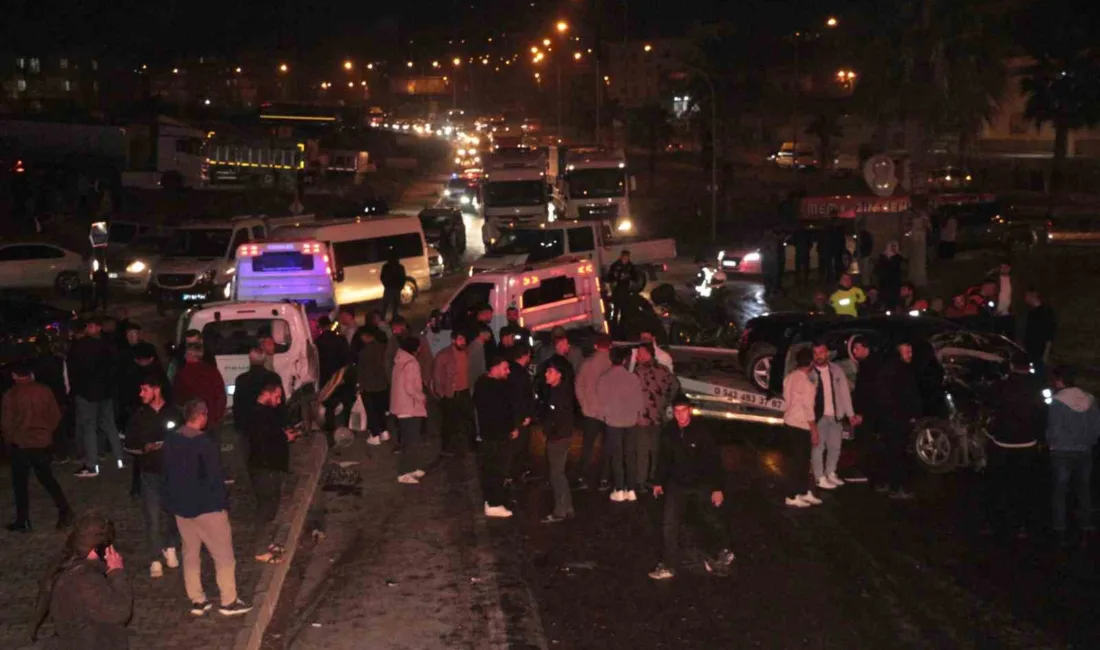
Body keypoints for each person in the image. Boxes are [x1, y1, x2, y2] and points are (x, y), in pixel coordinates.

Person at [163, 398, 251, 617]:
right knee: (223, 556)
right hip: (207, 508)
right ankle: (228, 601)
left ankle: (197, 599)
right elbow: (214, 476)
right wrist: (222, 504)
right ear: (201, 416)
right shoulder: (204, 443)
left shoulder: (172, 440)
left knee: (190, 554)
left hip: (182, 509)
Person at [648, 396, 734, 580]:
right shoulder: (669, 430)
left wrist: (717, 488)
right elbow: (664, 458)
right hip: (677, 484)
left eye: (684, 411)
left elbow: (714, 460)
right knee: (669, 523)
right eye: (676, 411)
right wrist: (658, 481)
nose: (680, 415)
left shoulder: (702, 431)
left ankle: (724, 548)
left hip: (701, 483)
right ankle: (669, 565)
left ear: (690, 411)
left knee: (711, 518)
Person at [29, 513, 132, 650]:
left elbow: (45, 591)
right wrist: (116, 572)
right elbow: (120, 612)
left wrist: (33, 626)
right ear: (101, 548)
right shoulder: (86, 580)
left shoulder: (64, 564)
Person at [123, 374, 183, 578]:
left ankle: (171, 547)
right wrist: (144, 447)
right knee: (153, 517)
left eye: (145, 389)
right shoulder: (139, 416)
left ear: (156, 390)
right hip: (150, 474)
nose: (141, 394)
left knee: (175, 514)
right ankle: (155, 558)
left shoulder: (174, 413)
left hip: (173, 473)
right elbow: (129, 444)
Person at [2, 362, 72, 532]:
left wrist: (10, 441)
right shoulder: (44, 390)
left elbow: (6, 424)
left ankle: (23, 520)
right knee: (48, 479)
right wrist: (46, 432)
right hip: (42, 442)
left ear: (14, 375)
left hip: (21, 443)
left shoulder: (11, 395)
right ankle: (65, 510)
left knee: (20, 484)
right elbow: (55, 415)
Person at [983, 351, 1045, 539]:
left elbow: (989, 402)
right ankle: (1022, 526)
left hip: (1003, 444)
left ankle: (995, 524)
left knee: (998, 486)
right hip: (1027, 444)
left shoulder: (1001, 385)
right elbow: (1042, 412)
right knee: (1024, 487)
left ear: (1012, 365)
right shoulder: (1038, 386)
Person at [1045, 366, 1100, 547]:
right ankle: (1085, 528)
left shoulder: (1057, 401)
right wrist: (1088, 443)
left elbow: (1053, 428)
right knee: (1084, 490)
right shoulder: (1090, 399)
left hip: (1061, 451)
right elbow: (1096, 428)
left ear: (1059, 381)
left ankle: (1060, 531)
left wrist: (1052, 444)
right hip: (1084, 450)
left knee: (1060, 492)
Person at [248, 381, 300, 563]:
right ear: (267, 394)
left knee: (272, 506)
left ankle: (267, 542)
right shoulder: (258, 414)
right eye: (277, 397)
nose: (279, 401)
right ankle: (260, 549)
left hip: (271, 466)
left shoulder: (266, 412)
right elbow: (263, 441)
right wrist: (284, 437)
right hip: (265, 468)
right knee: (267, 509)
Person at [68, 317, 124, 478]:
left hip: (88, 393)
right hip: (105, 392)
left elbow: (76, 369)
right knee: (108, 425)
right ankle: (119, 458)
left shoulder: (82, 346)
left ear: (98, 327)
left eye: (91, 326)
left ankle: (92, 465)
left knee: (89, 428)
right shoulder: (108, 344)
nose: (88, 329)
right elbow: (115, 367)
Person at [473, 355, 519, 518]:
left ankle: (492, 500)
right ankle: (494, 503)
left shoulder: (482, 383)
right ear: (495, 368)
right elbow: (501, 412)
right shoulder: (493, 387)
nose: (508, 371)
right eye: (505, 368)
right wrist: (511, 428)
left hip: (490, 434)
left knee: (492, 469)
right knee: (497, 469)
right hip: (497, 435)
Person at [597, 346, 645, 503]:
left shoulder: (604, 378)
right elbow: (639, 400)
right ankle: (631, 489)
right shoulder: (632, 378)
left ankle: (619, 489)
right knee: (630, 455)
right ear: (625, 360)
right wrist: (637, 415)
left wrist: (605, 415)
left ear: (611, 359)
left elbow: (601, 401)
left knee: (616, 456)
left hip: (613, 422)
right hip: (630, 421)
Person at [876, 342, 923, 500]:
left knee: (890, 451)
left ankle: (885, 482)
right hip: (897, 418)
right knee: (898, 453)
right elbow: (906, 394)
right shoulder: (898, 370)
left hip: (892, 418)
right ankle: (897, 487)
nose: (910, 355)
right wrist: (909, 413)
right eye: (907, 351)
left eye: (911, 351)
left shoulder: (894, 368)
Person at [808, 341, 856, 491]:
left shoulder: (836, 370)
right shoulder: (809, 373)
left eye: (821, 352)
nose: (818, 356)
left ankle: (830, 472)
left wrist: (850, 414)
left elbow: (844, 393)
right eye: (815, 353)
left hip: (835, 415)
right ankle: (819, 477)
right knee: (818, 447)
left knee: (835, 446)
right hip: (819, 416)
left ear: (827, 353)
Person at [633, 343, 678, 491]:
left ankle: (641, 481)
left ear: (648, 354)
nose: (637, 356)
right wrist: (665, 402)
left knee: (642, 451)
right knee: (656, 450)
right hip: (659, 417)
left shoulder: (638, 372)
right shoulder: (664, 370)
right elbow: (674, 387)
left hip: (642, 418)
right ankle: (654, 479)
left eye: (640, 353)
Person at [782, 348, 823, 508]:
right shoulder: (807, 384)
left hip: (789, 422)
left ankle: (803, 491)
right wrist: (814, 430)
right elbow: (808, 409)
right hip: (801, 425)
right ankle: (792, 496)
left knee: (799, 461)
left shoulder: (790, 377)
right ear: (811, 363)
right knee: (800, 462)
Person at [575, 335, 613, 490]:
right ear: (610, 346)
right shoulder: (613, 364)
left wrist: (584, 406)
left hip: (590, 411)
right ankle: (604, 478)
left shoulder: (586, 364)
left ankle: (582, 476)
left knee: (588, 446)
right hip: (609, 413)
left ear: (596, 346)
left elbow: (578, 386)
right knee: (607, 446)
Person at [540, 362, 576, 524]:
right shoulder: (556, 391)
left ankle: (560, 510)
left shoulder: (560, 394)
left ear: (559, 375)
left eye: (550, 371)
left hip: (559, 438)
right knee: (558, 473)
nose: (546, 374)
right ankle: (567, 507)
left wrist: (552, 433)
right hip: (560, 436)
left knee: (556, 475)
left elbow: (560, 418)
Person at [391, 337, 429, 484]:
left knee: (409, 440)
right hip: (409, 407)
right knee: (411, 441)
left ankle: (411, 467)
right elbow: (410, 388)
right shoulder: (412, 363)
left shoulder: (399, 361)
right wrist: (422, 397)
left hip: (402, 406)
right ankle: (404, 472)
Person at [432, 330, 474, 456]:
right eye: (460, 339)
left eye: (464, 339)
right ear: (453, 340)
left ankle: (470, 446)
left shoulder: (467, 352)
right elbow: (437, 376)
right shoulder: (444, 355)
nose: (463, 342)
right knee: (449, 422)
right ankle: (448, 447)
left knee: (468, 419)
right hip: (451, 392)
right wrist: (441, 393)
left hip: (465, 391)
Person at [173, 343, 227, 434]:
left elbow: (178, 399)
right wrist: (217, 416)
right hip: (211, 419)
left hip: (192, 421)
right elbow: (221, 395)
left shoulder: (182, 374)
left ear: (189, 355)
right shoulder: (213, 371)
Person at [505, 345, 536, 485]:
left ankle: (513, 472)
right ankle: (515, 474)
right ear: (525, 355)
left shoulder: (510, 370)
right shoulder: (521, 374)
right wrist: (527, 415)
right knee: (519, 445)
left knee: (515, 445)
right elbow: (523, 397)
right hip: (520, 415)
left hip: (512, 413)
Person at [315, 316, 351, 432]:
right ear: (330, 325)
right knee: (345, 401)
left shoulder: (318, 342)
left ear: (320, 327)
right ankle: (346, 425)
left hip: (326, 377)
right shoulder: (341, 339)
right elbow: (347, 358)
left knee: (329, 403)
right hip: (340, 375)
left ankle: (330, 429)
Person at [356, 326, 390, 445]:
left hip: (369, 386)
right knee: (380, 409)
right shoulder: (382, 348)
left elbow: (361, 371)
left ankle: (375, 435)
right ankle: (384, 431)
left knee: (371, 411)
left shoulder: (364, 352)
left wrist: (359, 385)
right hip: (382, 384)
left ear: (365, 336)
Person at [606, 249, 639, 337]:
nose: (626, 260)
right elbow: (609, 277)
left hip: (626, 292)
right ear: (621, 257)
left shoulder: (630, 266)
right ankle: (613, 331)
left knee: (624, 312)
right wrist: (615, 280)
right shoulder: (615, 266)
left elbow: (635, 277)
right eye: (624, 258)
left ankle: (622, 330)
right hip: (617, 292)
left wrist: (631, 281)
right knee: (615, 312)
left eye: (627, 258)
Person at [1023, 288, 1055, 379]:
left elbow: (1050, 333)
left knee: (1039, 375)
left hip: (1040, 350)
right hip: (1031, 351)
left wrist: (1046, 351)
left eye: (1027, 296)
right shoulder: (1031, 312)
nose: (1025, 299)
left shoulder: (1046, 312)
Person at [907, 195, 931, 287]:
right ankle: (913, 276)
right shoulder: (911, 213)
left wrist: (921, 228)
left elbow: (927, 225)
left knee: (919, 257)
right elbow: (908, 225)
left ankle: (919, 278)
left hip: (920, 237)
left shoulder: (923, 214)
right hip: (913, 237)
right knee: (913, 256)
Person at [875, 241, 904, 309]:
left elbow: (901, 270)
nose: (892, 249)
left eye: (894, 247)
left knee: (893, 303)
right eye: (891, 247)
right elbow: (878, 271)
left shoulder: (898, 259)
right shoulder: (882, 258)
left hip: (895, 285)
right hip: (884, 285)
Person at [380, 254, 407, 321]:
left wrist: (386, 284)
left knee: (386, 305)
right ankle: (393, 319)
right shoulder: (400, 267)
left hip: (389, 288)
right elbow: (403, 278)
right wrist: (400, 287)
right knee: (395, 305)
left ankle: (383, 319)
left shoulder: (386, 267)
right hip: (395, 288)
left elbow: (382, 277)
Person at [993, 261, 1014, 337]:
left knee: (1010, 337)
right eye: (1002, 267)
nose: (1004, 269)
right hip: (997, 314)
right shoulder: (995, 280)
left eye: (1006, 267)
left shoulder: (1014, 281)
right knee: (996, 337)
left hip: (1010, 314)